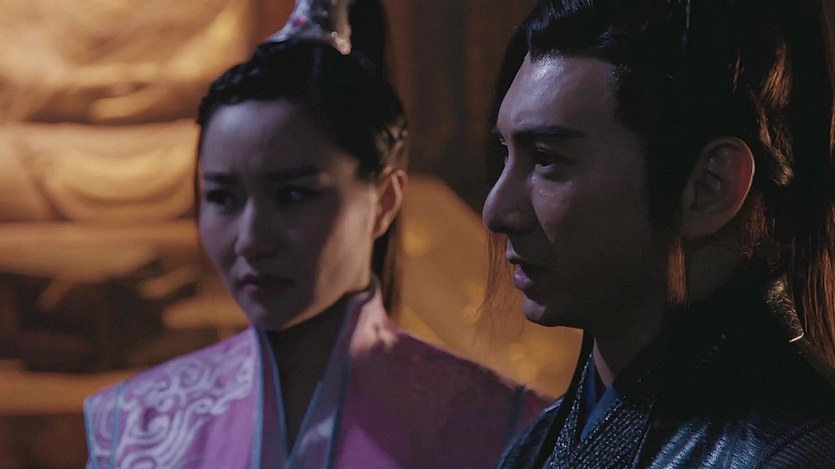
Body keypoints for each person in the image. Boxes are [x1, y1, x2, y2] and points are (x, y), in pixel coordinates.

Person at [83, 1, 546, 467]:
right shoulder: (132, 425)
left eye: (291, 195)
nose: (250, 240)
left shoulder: (498, 427)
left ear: (384, 201)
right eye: (223, 198)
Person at [483, 0, 835, 467]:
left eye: (547, 159)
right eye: (505, 154)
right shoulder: (535, 445)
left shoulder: (797, 454)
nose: (495, 211)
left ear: (709, 188)